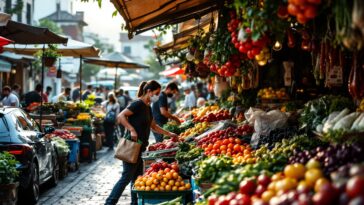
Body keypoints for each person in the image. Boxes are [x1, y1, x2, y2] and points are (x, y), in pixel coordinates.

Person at [105, 80, 178, 205]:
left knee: (137, 178)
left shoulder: (147, 107)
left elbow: (154, 126)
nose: (158, 95)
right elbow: (121, 116)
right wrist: (132, 129)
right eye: (157, 93)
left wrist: (169, 134)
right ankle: (110, 202)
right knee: (126, 177)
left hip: (141, 147)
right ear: (149, 92)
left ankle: (135, 203)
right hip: (132, 146)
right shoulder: (137, 104)